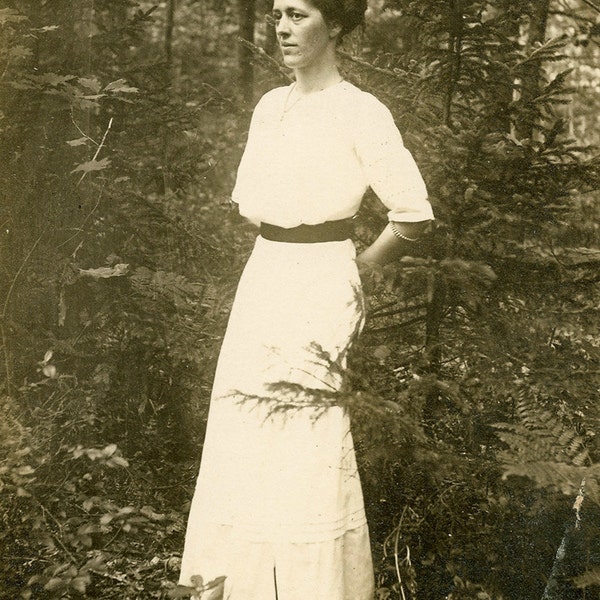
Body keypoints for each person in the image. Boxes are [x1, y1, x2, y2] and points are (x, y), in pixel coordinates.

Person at [178, 0, 434, 598]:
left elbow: (414, 215)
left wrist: (358, 270)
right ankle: (234, 585)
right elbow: (255, 206)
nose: (283, 28)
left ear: (337, 25)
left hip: (323, 279)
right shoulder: (271, 107)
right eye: (277, 15)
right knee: (244, 427)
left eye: (299, 14)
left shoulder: (362, 111)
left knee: (306, 439)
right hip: (265, 274)